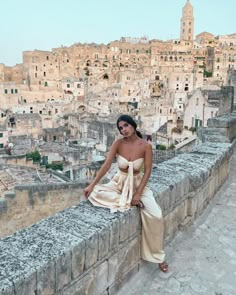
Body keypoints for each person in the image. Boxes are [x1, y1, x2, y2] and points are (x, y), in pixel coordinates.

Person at [84, 114, 168, 272]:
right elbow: (107, 165)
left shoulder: (145, 146)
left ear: (133, 125)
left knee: (156, 215)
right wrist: (92, 184)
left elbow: (148, 171)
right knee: (95, 193)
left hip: (137, 185)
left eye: (126, 126)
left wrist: (138, 194)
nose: (123, 130)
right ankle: (126, 201)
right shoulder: (117, 144)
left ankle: (158, 257)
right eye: (120, 128)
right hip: (119, 183)